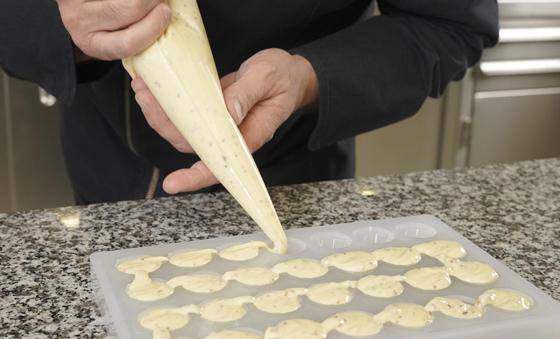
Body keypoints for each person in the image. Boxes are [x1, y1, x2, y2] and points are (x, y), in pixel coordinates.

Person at [0, 1, 499, 205]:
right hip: (108, 160)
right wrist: (48, 22)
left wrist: (306, 79)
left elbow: (448, 24)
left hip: (293, 171)